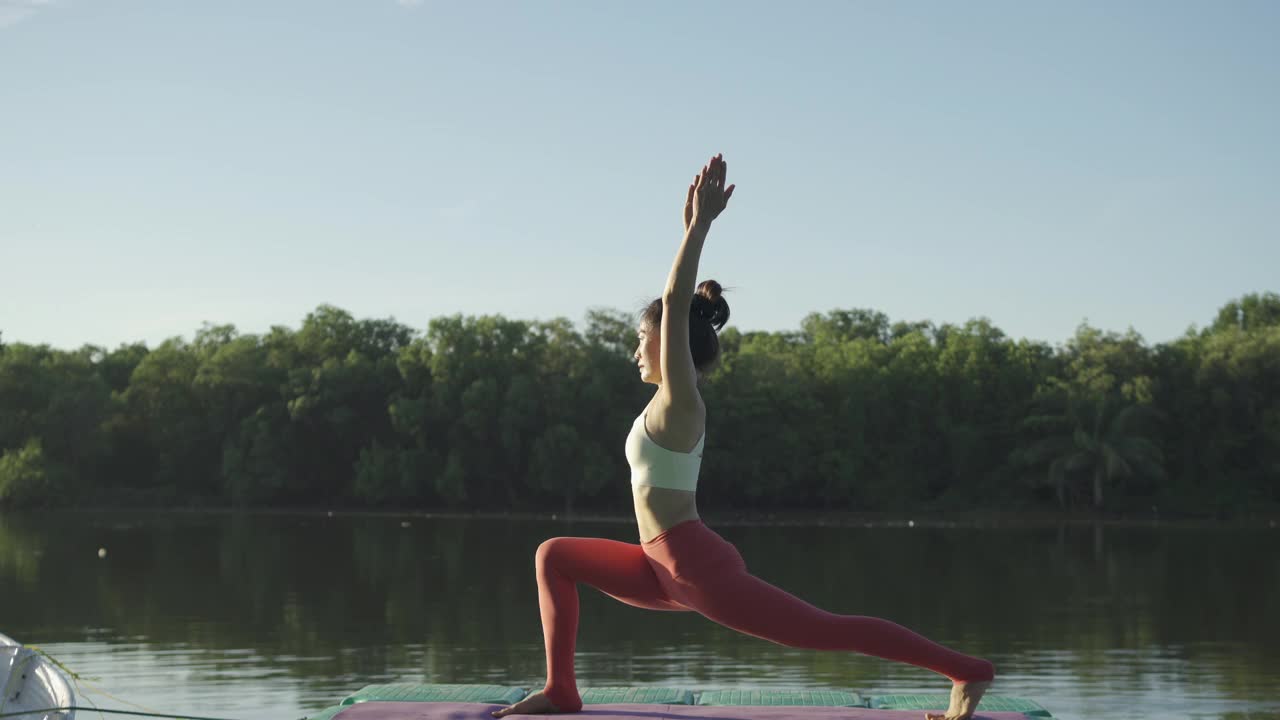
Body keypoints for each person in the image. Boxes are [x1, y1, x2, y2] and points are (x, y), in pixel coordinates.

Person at [493, 154, 994, 720]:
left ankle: (967, 670)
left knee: (830, 632)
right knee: (553, 555)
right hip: (662, 567)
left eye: (641, 337)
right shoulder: (660, 405)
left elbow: (677, 301)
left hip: (694, 569)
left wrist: (698, 227)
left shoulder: (680, 402)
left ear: (672, 343)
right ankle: (562, 691)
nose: (635, 348)